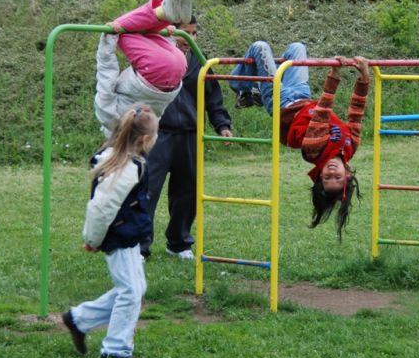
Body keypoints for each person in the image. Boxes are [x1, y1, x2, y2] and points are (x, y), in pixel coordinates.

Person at [229, 41, 370, 240]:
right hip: (302, 95)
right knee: (297, 48)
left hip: (282, 104)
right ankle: (256, 88)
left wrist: (335, 74)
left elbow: (322, 113)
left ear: (319, 176)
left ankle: (239, 85)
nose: (331, 173)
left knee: (260, 48)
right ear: (347, 174)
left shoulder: (314, 152)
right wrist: (364, 77)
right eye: (337, 178)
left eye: (326, 178)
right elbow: (356, 112)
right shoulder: (351, 146)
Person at [62, 105, 158, 358]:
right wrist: (92, 239)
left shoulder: (129, 161)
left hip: (129, 233)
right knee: (130, 292)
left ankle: (79, 319)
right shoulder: (125, 168)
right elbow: (101, 207)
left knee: (135, 288)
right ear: (144, 139)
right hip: (120, 236)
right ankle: (116, 349)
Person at [140, 16, 233, 260]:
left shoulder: (200, 60)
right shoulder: (154, 56)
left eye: (194, 33)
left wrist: (222, 124)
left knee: (188, 191)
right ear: (170, 32)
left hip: (190, 135)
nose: (190, 38)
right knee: (148, 189)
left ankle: (179, 243)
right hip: (157, 134)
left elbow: (212, 96)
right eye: (185, 33)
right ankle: (139, 246)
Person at [93, 0, 193, 138]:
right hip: (155, 69)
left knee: (136, 31)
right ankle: (163, 12)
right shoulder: (108, 117)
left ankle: (167, 16)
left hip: (177, 66)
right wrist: (108, 39)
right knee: (120, 29)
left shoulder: (145, 131)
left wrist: (167, 37)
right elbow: (107, 74)